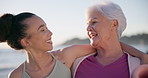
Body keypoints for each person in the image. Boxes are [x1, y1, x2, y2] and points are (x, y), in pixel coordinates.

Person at [0, 12, 147, 78]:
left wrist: (142, 55)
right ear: (26, 42)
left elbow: (111, 44)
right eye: (42, 30)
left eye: (47, 27)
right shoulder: (17, 75)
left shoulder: (66, 56)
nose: (50, 33)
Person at [72, 2, 148, 78]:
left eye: (94, 22)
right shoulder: (76, 64)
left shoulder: (138, 66)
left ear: (114, 24)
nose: (88, 29)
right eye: (87, 24)